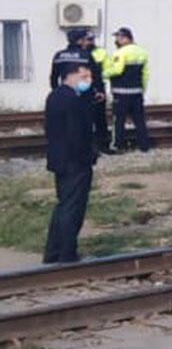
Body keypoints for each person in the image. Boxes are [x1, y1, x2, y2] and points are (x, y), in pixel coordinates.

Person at [44, 63, 97, 263]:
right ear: (71, 76)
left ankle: (53, 253)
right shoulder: (72, 100)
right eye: (85, 76)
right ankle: (67, 254)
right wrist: (87, 156)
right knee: (72, 208)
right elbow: (77, 133)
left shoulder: (55, 96)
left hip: (59, 159)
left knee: (63, 206)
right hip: (75, 161)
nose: (88, 80)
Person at [105, 27, 150, 152]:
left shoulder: (120, 52)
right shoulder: (143, 52)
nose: (117, 40)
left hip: (121, 92)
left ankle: (118, 145)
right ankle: (144, 145)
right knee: (139, 120)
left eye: (118, 38)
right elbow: (146, 74)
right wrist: (142, 89)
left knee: (118, 120)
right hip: (137, 91)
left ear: (125, 38)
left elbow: (117, 70)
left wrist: (103, 73)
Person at [84, 31, 113, 153]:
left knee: (100, 119)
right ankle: (88, 147)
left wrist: (101, 85)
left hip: (98, 87)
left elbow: (107, 69)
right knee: (85, 119)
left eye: (91, 39)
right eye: (88, 39)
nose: (90, 42)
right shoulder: (78, 53)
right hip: (83, 88)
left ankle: (103, 145)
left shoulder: (101, 52)